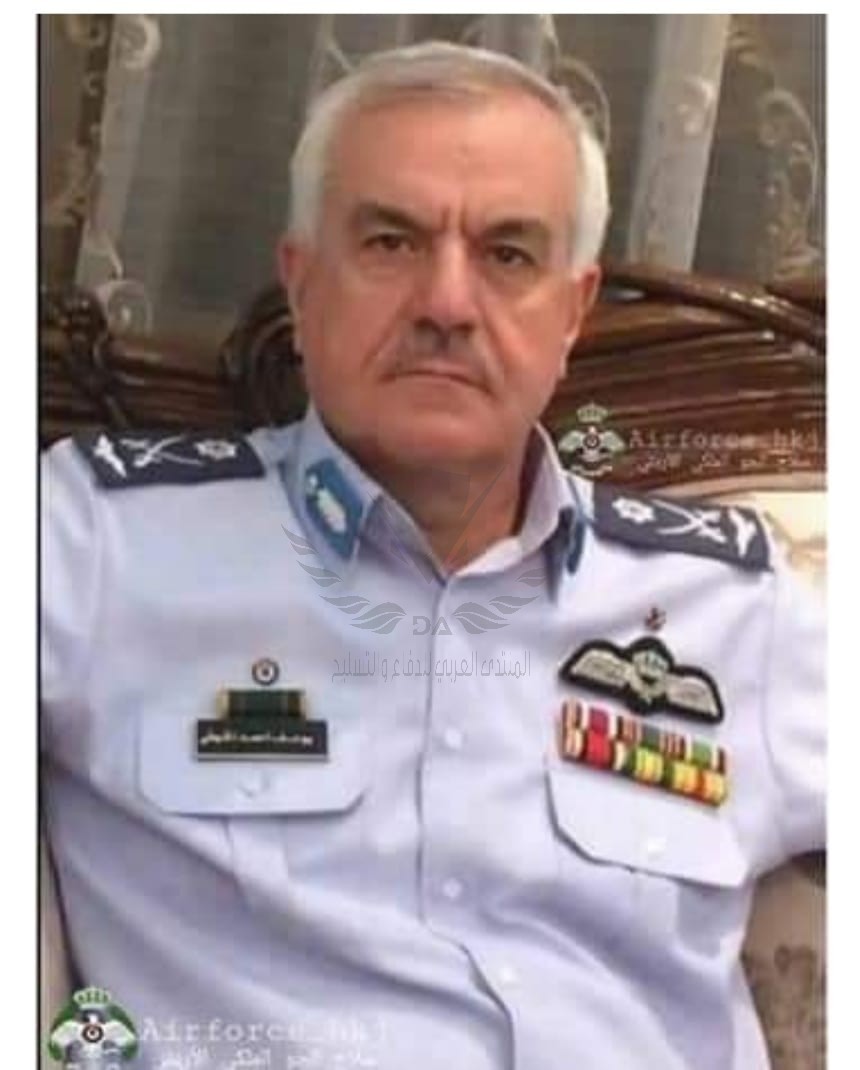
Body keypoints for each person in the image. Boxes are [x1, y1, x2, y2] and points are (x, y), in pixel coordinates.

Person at [41, 41, 825, 1070]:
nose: (447, 303)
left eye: (508, 255)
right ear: (302, 284)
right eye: (390, 241)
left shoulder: (736, 604)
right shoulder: (101, 543)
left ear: (572, 313)